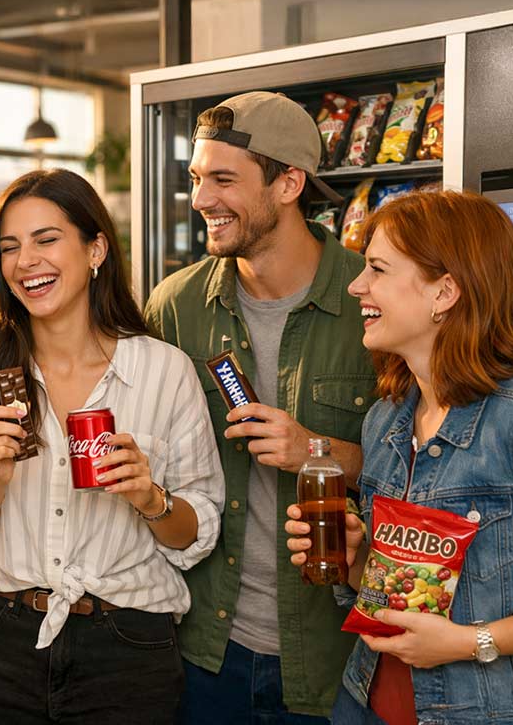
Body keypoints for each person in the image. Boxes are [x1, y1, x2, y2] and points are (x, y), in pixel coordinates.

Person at [285, 190, 513, 724]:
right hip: (365, 703)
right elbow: (403, 595)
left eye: (378, 269)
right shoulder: (387, 418)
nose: (357, 285)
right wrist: (357, 557)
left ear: (445, 292)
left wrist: (467, 642)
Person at [0, 168, 224, 724]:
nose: (25, 261)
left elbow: (197, 535)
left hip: (128, 649)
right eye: (9, 247)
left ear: (96, 250)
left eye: (46, 239)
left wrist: (148, 496)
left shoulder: (163, 372)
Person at [143, 91, 374, 722]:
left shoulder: (370, 301)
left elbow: (428, 473)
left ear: (288, 183)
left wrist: (314, 451)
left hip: (335, 652)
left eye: (223, 179)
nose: (200, 200)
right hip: (205, 651)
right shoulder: (175, 307)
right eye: (196, 179)